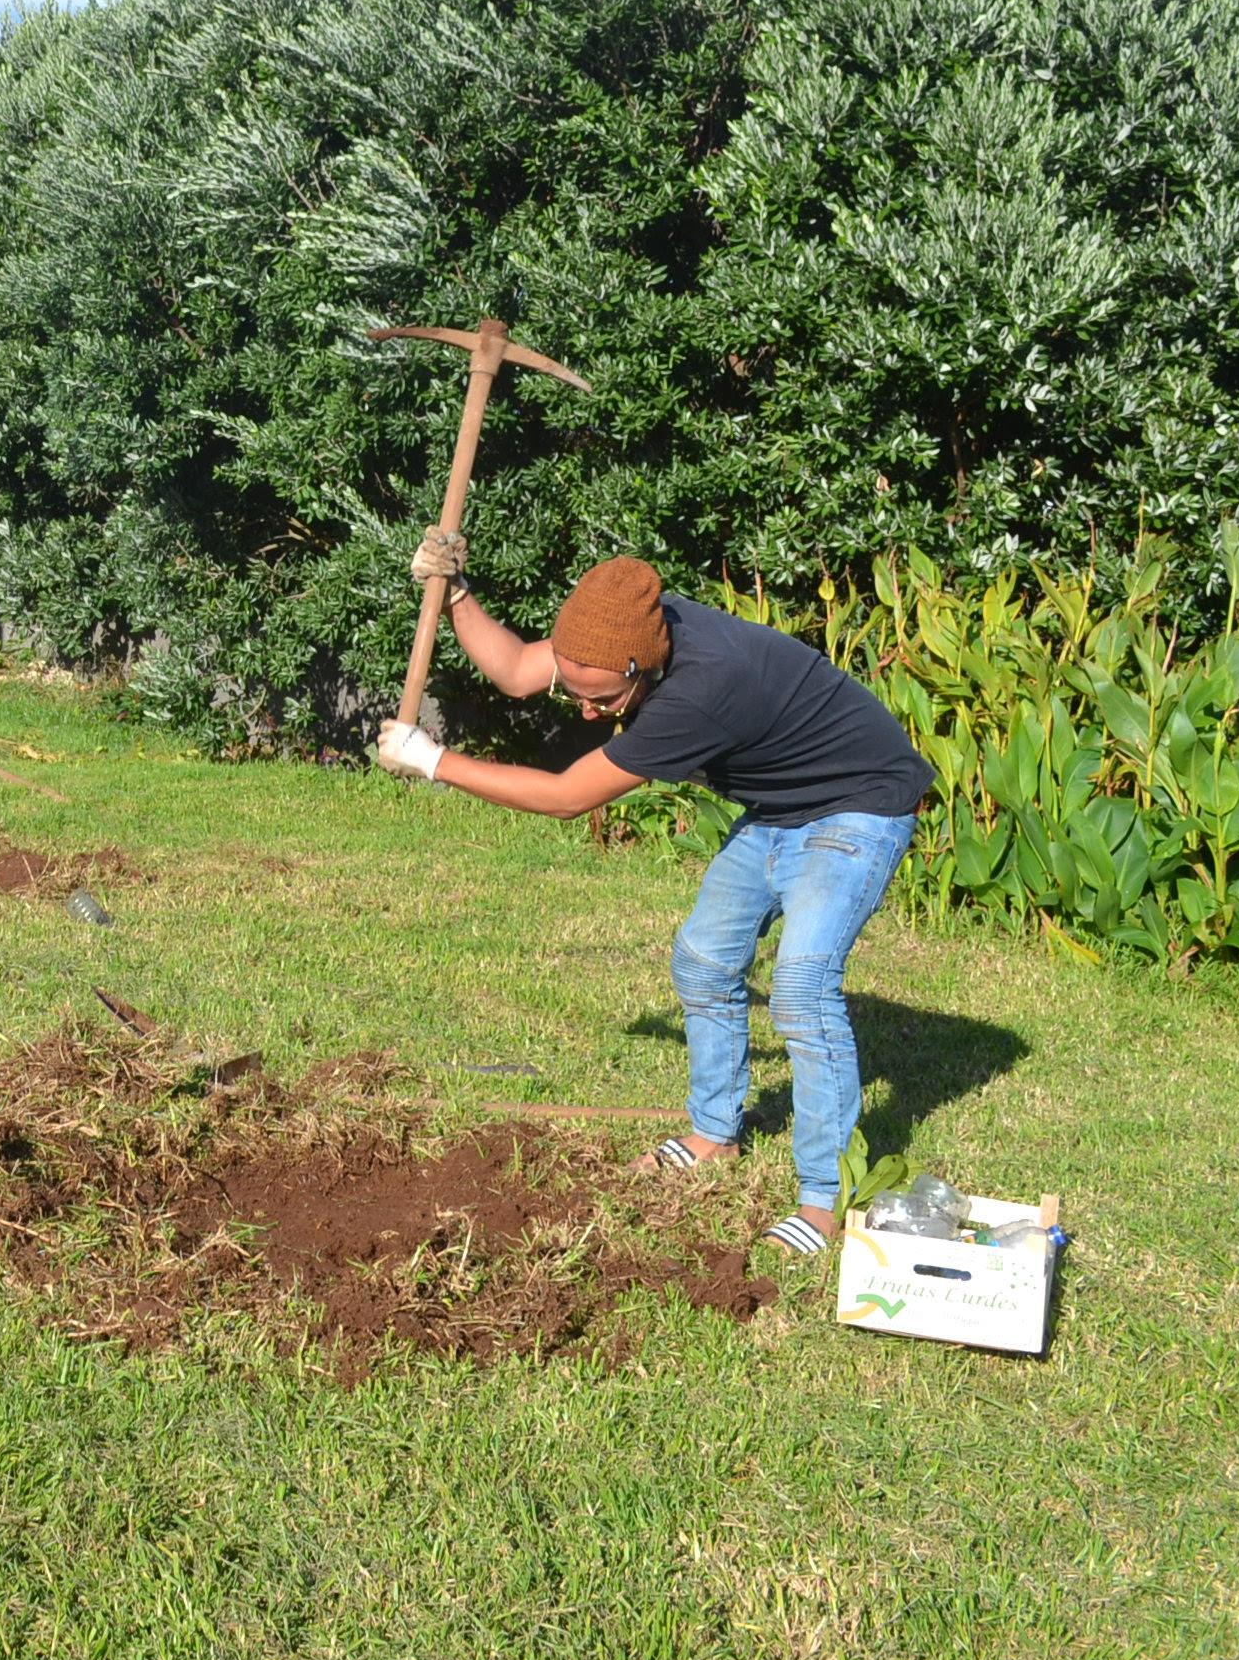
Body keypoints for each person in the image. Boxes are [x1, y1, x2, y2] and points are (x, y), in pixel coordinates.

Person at [372, 541, 936, 1263]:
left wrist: (434, 761)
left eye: (603, 700)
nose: (586, 708)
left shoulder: (703, 688)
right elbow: (517, 671)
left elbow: (566, 797)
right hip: (779, 806)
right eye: (578, 689)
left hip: (859, 808)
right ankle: (711, 1136)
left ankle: (823, 1200)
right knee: (703, 962)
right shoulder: (617, 632)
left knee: (800, 987)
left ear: (643, 668)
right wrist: (455, 596)